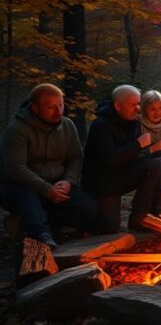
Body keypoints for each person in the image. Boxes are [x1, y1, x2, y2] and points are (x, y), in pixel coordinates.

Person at [0, 84, 97, 248]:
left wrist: (68, 181)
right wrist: (45, 189)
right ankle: (42, 237)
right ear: (35, 108)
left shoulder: (67, 126)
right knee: (28, 198)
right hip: (21, 186)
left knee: (89, 209)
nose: (58, 111)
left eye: (60, 105)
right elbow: (16, 169)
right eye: (50, 107)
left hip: (57, 183)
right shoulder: (17, 130)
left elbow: (76, 157)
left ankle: (41, 223)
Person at [83, 85, 161, 234]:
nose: (137, 109)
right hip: (104, 182)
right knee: (109, 228)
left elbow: (138, 155)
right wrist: (138, 144)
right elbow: (109, 159)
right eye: (133, 105)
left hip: (124, 173)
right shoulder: (101, 125)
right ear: (118, 106)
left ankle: (140, 217)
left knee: (159, 164)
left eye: (138, 104)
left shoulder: (133, 122)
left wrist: (160, 152)